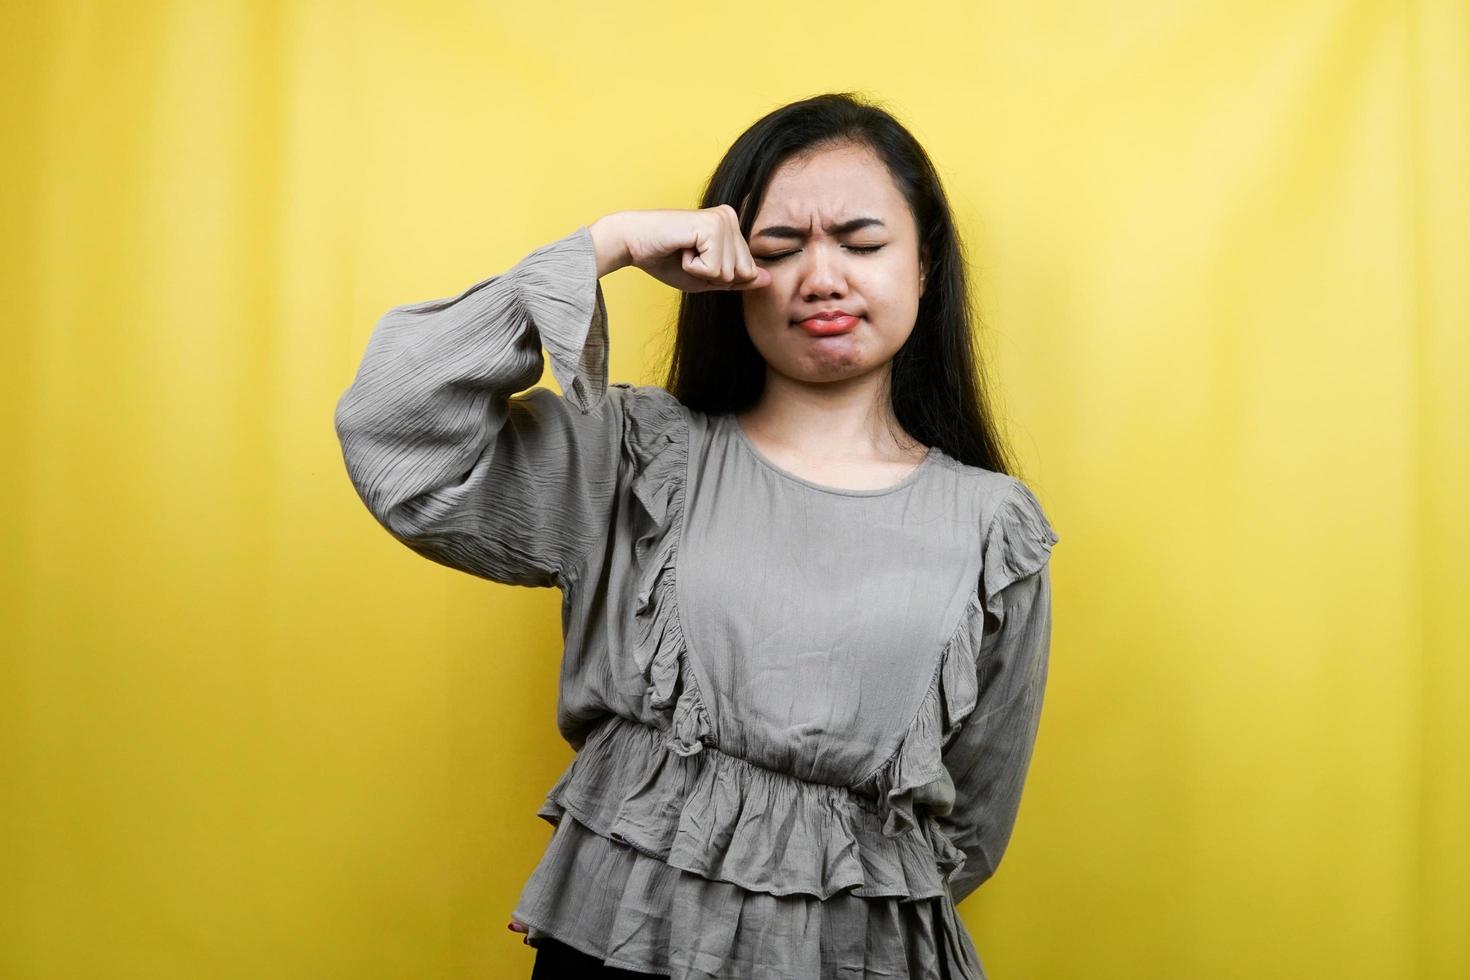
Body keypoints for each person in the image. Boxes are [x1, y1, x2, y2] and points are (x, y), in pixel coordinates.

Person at [334, 92, 1059, 980]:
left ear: (924, 265)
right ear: (729, 269)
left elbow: (968, 826)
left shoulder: (994, 530)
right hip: (617, 949)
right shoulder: (637, 461)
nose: (820, 279)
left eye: (862, 245)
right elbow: (395, 425)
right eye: (778, 249)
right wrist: (614, 244)